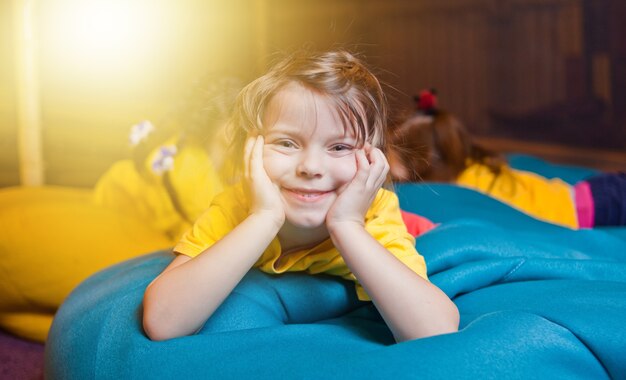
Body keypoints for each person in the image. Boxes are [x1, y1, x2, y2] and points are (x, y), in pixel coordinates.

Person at [142, 50, 460, 343]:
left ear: (371, 160)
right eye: (287, 143)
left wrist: (347, 224)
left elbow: (435, 330)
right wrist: (263, 218)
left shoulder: (374, 214)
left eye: (339, 147)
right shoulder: (238, 205)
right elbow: (164, 322)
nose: (310, 167)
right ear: (252, 149)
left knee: (418, 225)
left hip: (403, 223)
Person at [387, 89, 626, 229]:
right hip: (586, 194)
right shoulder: (468, 164)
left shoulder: (464, 185)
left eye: (393, 149)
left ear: (426, 157)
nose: (385, 156)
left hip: (588, 207)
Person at [93, 75, 244, 242]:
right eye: (243, 120)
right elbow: (217, 229)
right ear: (227, 125)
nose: (251, 128)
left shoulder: (227, 161)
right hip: (117, 206)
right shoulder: (189, 166)